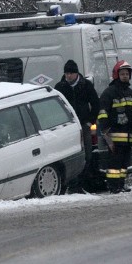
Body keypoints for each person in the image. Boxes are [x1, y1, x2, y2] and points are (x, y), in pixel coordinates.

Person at [97, 60, 132, 193]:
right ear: (116, 75)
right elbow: (102, 113)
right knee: (114, 165)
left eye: (127, 74)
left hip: (129, 137)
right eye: (122, 73)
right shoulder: (109, 93)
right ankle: (113, 186)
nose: (125, 76)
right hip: (114, 138)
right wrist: (107, 132)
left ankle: (121, 184)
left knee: (124, 164)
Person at [55, 59, 100, 192]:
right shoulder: (60, 87)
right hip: (67, 128)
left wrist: (90, 121)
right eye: (66, 73)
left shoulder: (86, 85)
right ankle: (70, 184)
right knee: (69, 154)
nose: (68, 76)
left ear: (76, 73)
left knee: (86, 154)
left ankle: (81, 183)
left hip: (83, 125)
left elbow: (96, 104)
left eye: (71, 73)